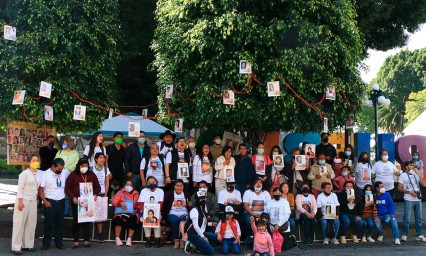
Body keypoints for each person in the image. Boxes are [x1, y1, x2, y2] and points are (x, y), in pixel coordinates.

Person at [65, 158, 101, 248]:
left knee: (87, 221)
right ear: (78, 166)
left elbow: (98, 187)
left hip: (88, 201)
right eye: (82, 166)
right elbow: (67, 188)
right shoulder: (73, 174)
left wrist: (96, 195)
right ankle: (76, 241)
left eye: (86, 166)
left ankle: (86, 240)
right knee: (76, 221)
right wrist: (72, 197)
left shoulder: (91, 174)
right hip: (76, 201)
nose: (84, 167)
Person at [11, 155, 42, 255]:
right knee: (19, 224)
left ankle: (28, 245)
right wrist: (19, 201)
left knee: (31, 224)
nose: (36, 162)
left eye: (37, 160)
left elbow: (38, 188)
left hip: (33, 201)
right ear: (29, 162)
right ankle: (16, 247)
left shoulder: (39, 173)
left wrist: (37, 199)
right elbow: (19, 188)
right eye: (34, 160)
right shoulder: (24, 174)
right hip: (23, 200)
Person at [38, 158, 70, 250]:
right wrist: (45, 202)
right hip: (50, 202)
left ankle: (59, 243)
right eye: (58, 169)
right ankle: (46, 244)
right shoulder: (45, 174)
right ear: (53, 166)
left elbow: (73, 174)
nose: (60, 171)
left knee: (60, 224)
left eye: (62, 169)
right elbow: (41, 191)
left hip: (61, 201)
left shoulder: (64, 171)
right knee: (48, 224)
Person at [398, 160, 426, 242]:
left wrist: (418, 173)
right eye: (411, 165)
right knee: (406, 218)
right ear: (406, 167)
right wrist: (409, 192)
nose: (412, 167)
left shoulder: (416, 175)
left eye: (413, 165)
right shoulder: (403, 175)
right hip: (408, 199)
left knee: (419, 218)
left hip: (417, 199)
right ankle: (404, 234)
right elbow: (399, 188)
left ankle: (419, 234)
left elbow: (424, 184)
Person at [162, 179, 192, 249]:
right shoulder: (169, 193)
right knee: (174, 220)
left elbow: (190, 205)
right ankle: (176, 240)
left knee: (183, 221)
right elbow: (164, 206)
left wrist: (190, 205)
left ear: (183, 186)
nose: (179, 187)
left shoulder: (186, 194)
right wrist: (163, 217)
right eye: (177, 186)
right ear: (174, 186)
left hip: (184, 213)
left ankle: (182, 240)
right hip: (172, 213)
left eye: (181, 186)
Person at [185, 191, 217, 255]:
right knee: (211, 252)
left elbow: (202, 222)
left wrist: (211, 224)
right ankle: (191, 245)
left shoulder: (202, 208)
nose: (203, 200)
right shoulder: (194, 210)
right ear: (197, 200)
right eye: (201, 198)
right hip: (194, 234)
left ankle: (199, 245)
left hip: (201, 231)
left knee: (217, 237)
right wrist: (203, 237)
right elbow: (196, 226)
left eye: (204, 198)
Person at [111, 179, 140, 246]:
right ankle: (117, 238)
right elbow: (113, 202)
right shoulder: (120, 192)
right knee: (118, 218)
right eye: (127, 185)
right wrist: (120, 203)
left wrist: (137, 210)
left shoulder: (136, 194)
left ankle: (129, 239)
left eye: (130, 185)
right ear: (124, 185)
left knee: (134, 218)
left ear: (133, 186)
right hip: (120, 212)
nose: (129, 186)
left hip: (132, 213)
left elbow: (139, 204)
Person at [137, 176, 164, 248]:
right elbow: (140, 204)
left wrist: (154, 214)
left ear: (157, 183)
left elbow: (160, 204)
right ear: (147, 183)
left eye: (153, 182)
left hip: (157, 212)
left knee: (156, 219)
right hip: (144, 212)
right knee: (146, 219)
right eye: (149, 182)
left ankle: (157, 239)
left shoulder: (160, 191)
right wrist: (142, 215)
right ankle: (148, 239)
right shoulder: (143, 191)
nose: (151, 184)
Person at [92, 153, 111, 242]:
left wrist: (106, 194)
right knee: (90, 214)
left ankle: (100, 234)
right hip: (92, 195)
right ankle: (87, 235)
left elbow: (107, 183)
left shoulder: (106, 170)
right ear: (96, 159)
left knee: (100, 216)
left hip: (102, 193)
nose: (102, 159)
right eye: (100, 158)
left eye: (103, 158)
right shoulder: (91, 168)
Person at [106, 132, 126, 197]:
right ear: (114, 138)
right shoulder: (109, 148)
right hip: (110, 173)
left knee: (118, 193)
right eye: (117, 137)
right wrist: (108, 172)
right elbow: (106, 161)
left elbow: (124, 162)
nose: (119, 138)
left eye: (121, 137)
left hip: (120, 174)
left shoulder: (123, 149)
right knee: (108, 192)